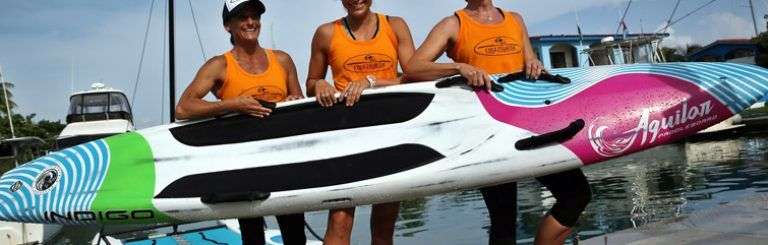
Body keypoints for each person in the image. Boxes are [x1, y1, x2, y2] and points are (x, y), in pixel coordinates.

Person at [405, 1, 592, 244]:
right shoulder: (453, 24)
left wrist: (534, 63)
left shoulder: (515, 19)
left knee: (577, 195)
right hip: (487, 129)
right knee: (503, 220)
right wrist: (459, 67)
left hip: (529, 124)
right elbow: (413, 67)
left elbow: (530, 61)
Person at [174, 1, 305, 244]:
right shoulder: (219, 65)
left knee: (295, 234)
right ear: (228, 26)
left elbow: (298, 102)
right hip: (244, 162)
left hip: (283, 160)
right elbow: (183, 108)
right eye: (242, 17)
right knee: (252, 236)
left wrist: (294, 100)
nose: (250, 23)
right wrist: (232, 105)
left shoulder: (282, 60)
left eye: (254, 16)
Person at [305, 0, 415, 244]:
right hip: (345, 133)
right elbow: (311, 81)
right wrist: (319, 84)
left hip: (390, 129)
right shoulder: (326, 32)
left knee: (385, 221)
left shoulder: (395, 25)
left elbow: (414, 77)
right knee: (340, 219)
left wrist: (371, 81)